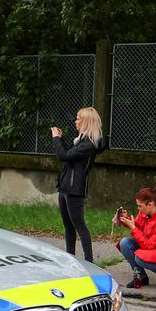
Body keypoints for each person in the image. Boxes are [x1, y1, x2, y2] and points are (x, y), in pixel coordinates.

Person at [50, 107, 106, 262]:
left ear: (86, 122)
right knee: (68, 226)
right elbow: (69, 157)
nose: (76, 121)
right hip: (65, 187)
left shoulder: (89, 144)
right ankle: (71, 259)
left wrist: (56, 138)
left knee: (80, 226)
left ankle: (89, 262)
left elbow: (64, 156)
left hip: (74, 189)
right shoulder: (81, 141)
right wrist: (60, 139)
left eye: (78, 118)